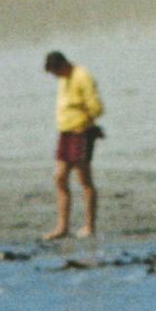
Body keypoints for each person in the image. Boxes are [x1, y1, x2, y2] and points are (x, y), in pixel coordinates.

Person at [45, 50, 104, 241]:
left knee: (84, 180)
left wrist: (85, 124)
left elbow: (96, 107)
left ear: (62, 66)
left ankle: (89, 226)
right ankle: (62, 226)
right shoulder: (64, 78)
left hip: (80, 132)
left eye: (55, 72)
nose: (55, 77)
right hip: (65, 132)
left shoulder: (82, 76)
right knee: (59, 178)